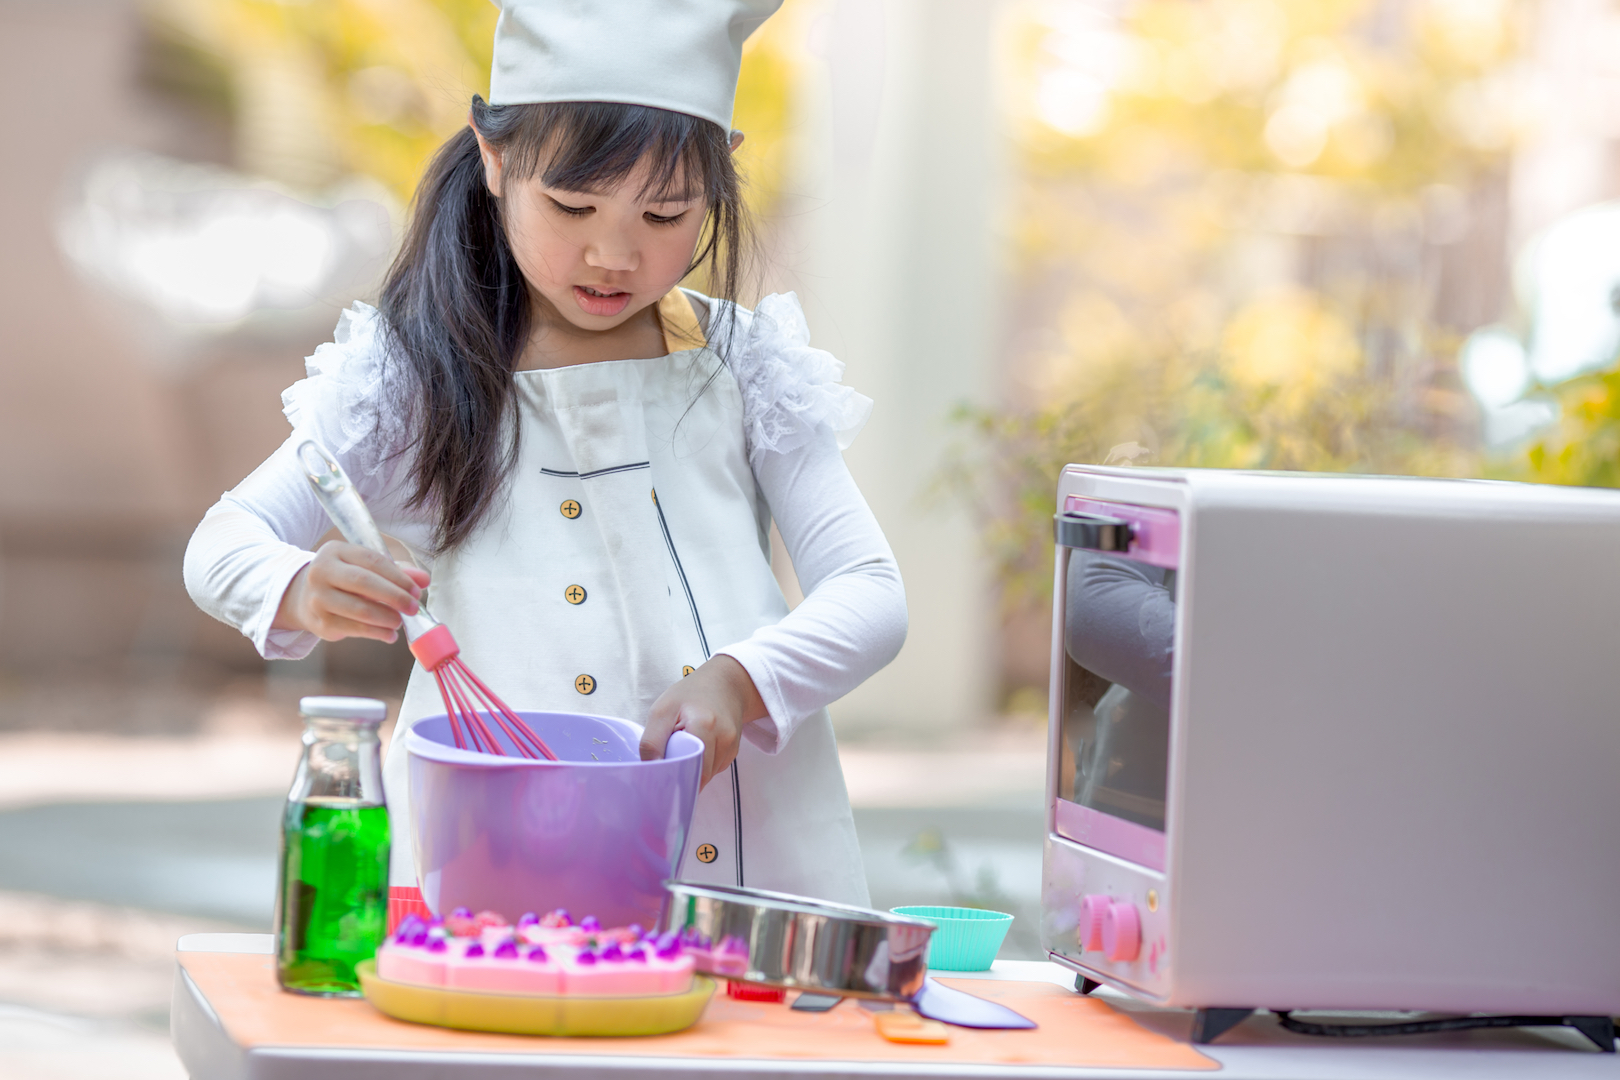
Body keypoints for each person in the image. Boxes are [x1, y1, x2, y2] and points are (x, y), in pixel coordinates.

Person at [184, 0, 906, 920]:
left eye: (665, 212)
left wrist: (746, 678)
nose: (614, 253)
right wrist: (298, 585)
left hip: (744, 867)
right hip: (497, 859)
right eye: (572, 205)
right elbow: (222, 542)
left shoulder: (745, 367)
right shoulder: (413, 374)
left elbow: (873, 593)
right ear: (494, 158)